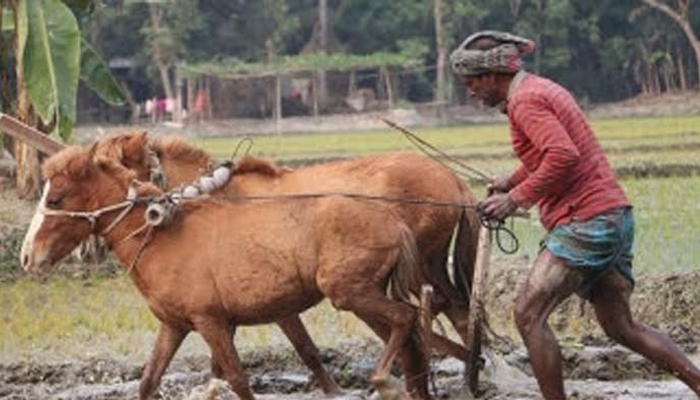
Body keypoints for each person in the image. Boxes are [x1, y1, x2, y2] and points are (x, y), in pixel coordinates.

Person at [450, 30, 700, 399]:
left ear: (490, 76)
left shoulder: (526, 102)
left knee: (528, 315)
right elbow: (545, 155)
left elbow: (563, 157)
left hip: (587, 223)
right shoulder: (540, 89)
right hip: (612, 216)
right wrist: (512, 180)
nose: (471, 91)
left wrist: (514, 199)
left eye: (471, 83)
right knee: (621, 327)